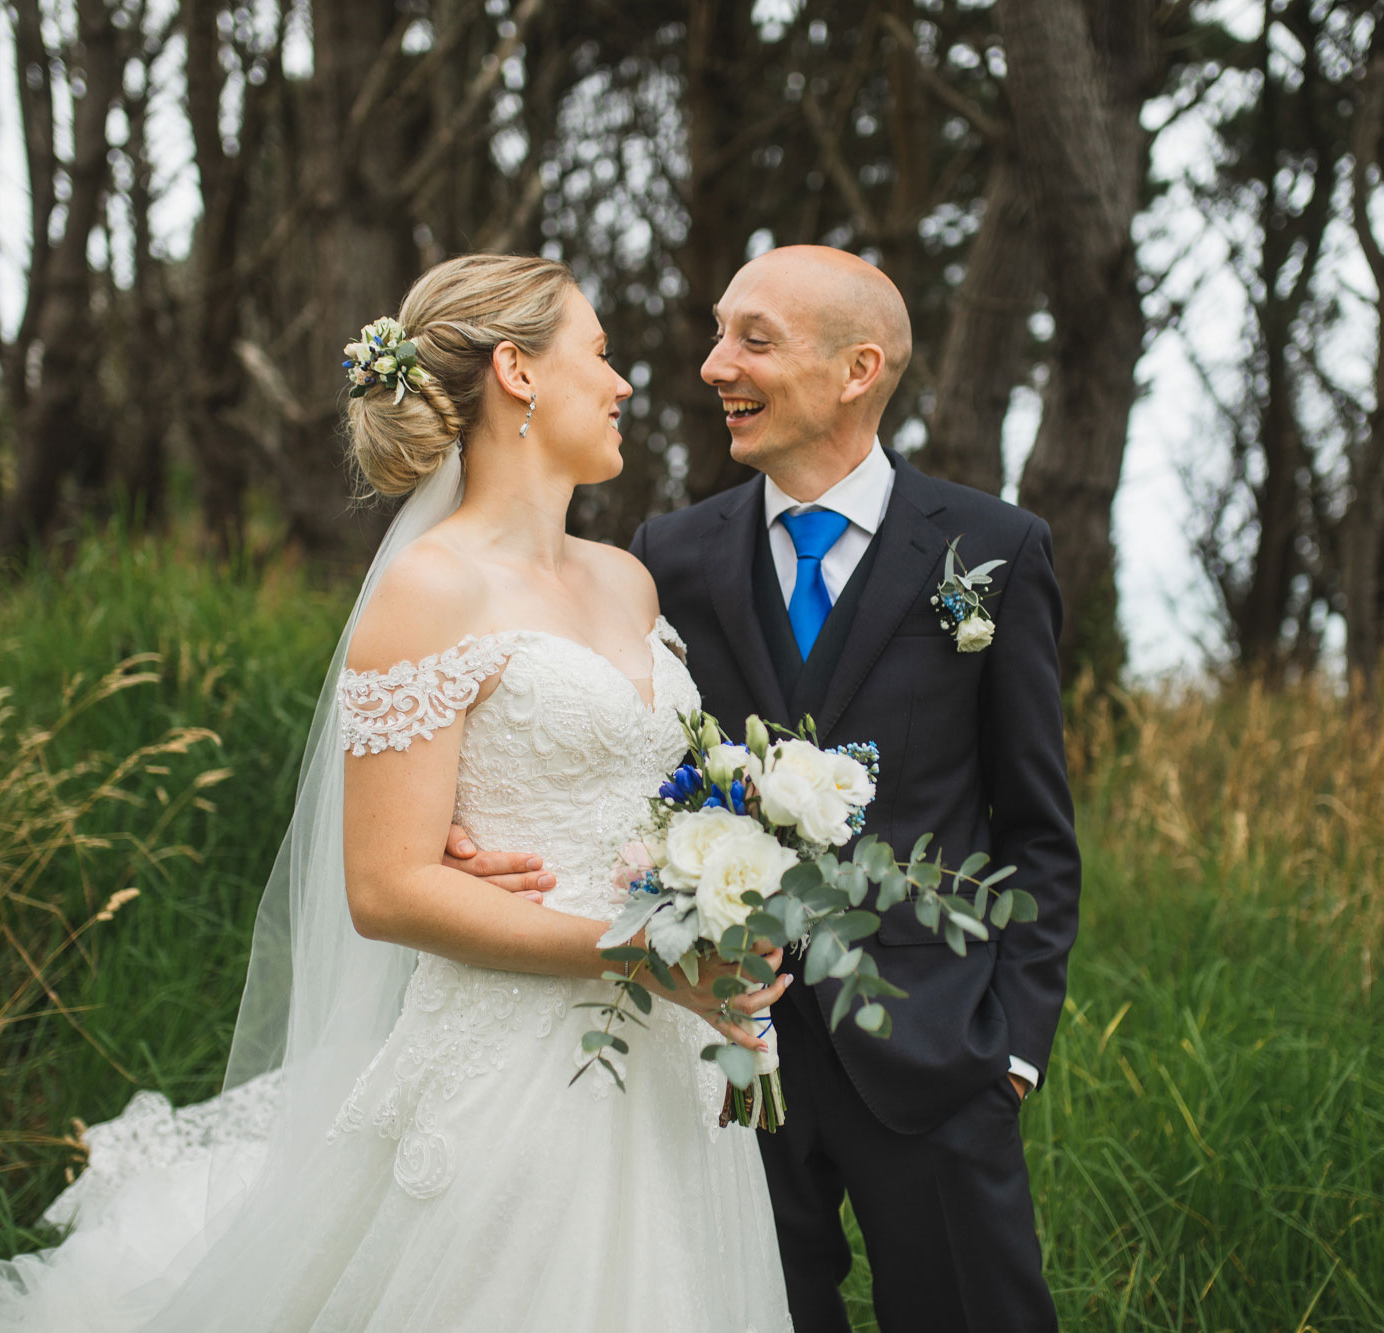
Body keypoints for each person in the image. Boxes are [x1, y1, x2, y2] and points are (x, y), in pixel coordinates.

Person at [0, 253, 794, 1331]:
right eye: (596, 353)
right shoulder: (428, 589)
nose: (624, 382)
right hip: (517, 1065)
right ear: (517, 371)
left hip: (665, 1061)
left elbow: (644, 789)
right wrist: (635, 948)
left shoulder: (623, 577)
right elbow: (387, 889)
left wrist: (722, 890)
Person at [454, 245, 1081, 1331]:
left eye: (752, 338)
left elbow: (1037, 829)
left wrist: (1010, 1052)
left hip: (933, 1059)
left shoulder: (992, 550)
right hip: (713, 1061)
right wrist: (474, 831)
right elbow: (619, 755)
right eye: (716, 331)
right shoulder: (670, 553)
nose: (711, 365)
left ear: (855, 369)